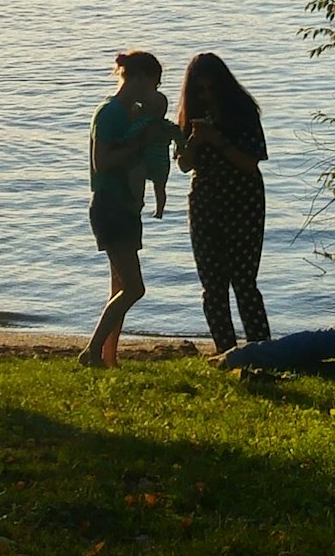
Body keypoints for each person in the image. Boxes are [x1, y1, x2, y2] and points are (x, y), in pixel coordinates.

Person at [174, 52, 273, 354]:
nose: (206, 96)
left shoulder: (243, 113)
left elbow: (250, 163)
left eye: (211, 89)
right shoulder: (191, 117)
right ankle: (225, 351)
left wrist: (217, 140)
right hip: (205, 203)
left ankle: (261, 350)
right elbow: (184, 165)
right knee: (213, 286)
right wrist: (194, 140)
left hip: (243, 202)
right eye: (200, 91)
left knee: (244, 282)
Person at [83, 51, 177, 367]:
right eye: (154, 84)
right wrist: (140, 143)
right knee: (135, 289)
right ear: (137, 78)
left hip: (127, 207)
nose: (156, 91)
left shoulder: (135, 115)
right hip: (110, 205)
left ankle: (107, 358)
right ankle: (92, 351)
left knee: (120, 287)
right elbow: (103, 162)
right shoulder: (110, 113)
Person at [120, 67, 175, 217]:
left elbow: (133, 132)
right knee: (160, 188)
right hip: (162, 162)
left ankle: (138, 201)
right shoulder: (167, 125)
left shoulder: (146, 122)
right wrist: (180, 149)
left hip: (147, 159)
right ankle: (159, 210)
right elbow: (179, 135)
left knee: (136, 176)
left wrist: (124, 139)